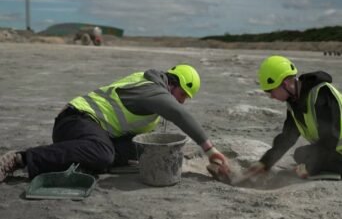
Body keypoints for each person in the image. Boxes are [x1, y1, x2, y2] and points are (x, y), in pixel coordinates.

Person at [0, 64, 229, 182]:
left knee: (143, 150)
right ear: (173, 83)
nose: (182, 102)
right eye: (182, 95)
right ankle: (20, 159)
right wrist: (210, 150)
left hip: (95, 132)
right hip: (74, 121)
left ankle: (87, 161)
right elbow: (179, 114)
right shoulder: (152, 89)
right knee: (103, 153)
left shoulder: (156, 96)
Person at [239, 55, 342, 182]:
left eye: (271, 91)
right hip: (340, 148)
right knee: (300, 154)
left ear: (285, 84)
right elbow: (287, 138)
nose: (271, 96)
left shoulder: (321, 93)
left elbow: (331, 137)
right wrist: (265, 163)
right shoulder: (293, 103)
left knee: (308, 168)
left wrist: (310, 168)